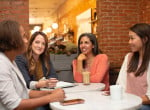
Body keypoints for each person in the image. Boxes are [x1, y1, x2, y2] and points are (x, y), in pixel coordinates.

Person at [0, 20, 65, 110]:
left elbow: (25, 91)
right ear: (13, 40)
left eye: (43, 44)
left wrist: (50, 93)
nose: (26, 41)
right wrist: (51, 97)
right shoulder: (2, 65)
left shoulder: (11, 61)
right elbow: (14, 105)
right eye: (23, 37)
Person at [116, 23, 150, 110]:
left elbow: (149, 97)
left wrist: (131, 102)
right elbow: (120, 83)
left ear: (145, 39)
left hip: (143, 105)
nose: (129, 42)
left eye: (132, 38)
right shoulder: (128, 57)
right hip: (127, 103)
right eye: (129, 38)